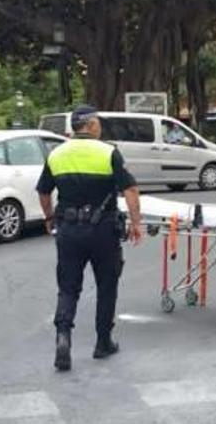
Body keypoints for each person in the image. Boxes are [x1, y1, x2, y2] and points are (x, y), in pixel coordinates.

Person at [36, 105, 143, 371]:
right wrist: (136, 223)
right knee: (107, 285)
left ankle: (63, 335)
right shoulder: (107, 152)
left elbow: (44, 192)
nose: (100, 126)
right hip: (103, 231)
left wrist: (50, 218)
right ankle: (103, 342)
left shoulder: (57, 154)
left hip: (69, 231)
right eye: (98, 122)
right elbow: (130, 189)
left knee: (68, 287)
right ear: (91, 125)